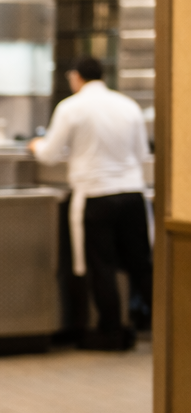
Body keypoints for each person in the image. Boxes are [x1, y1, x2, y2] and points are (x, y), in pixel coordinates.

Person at [30, 56, 152, 349]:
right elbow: (141, 153)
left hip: (97, 195)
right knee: (141, 265)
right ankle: (169, 324)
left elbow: (49, 153)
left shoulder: (71, 107)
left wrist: (36, 145)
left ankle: (111, 332)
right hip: (133, 193)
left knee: (102, 265)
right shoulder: (128, 105)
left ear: (76, 77)